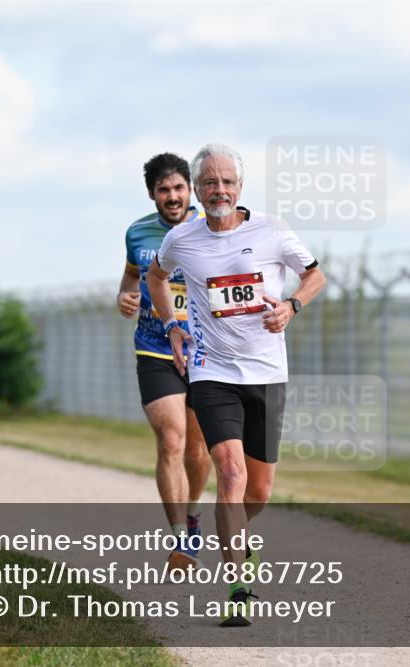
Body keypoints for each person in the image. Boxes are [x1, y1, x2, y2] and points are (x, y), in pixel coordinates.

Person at [147, 143, 326, 626]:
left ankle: (238, 536)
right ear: (198, 191)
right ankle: (239, 585)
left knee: (258, 491)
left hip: (266, 372)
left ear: (240, 187)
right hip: (211, 371)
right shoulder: (182, 239)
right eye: (209, 182)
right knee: (228, 472)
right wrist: (174, 327)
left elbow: (315, 275)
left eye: (227, 181)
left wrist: (291, 307)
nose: (219, 190)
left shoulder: (271, 230)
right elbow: (156, 278)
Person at [119, 153, 211, 569]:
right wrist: (125, 296)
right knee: (170, 440)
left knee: (198, 450)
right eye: (163, 190)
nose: (172, 197)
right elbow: (131, 277)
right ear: (152, 194)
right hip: (154, 347)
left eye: (178, 188)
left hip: (206, 352)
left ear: (190, 189)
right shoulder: (137, 232)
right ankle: (179, 540)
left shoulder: (210, 227)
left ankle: (193, 516)